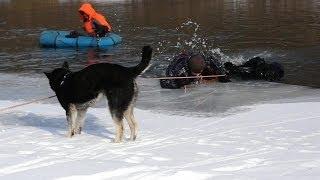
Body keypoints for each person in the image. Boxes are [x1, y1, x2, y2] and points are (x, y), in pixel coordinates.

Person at [160, 52, 230, 89]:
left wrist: (223, 76)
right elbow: (166, 81)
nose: (197, 76)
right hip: (184, 62)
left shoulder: (209, 60)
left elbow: (223, 73)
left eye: (198, 74)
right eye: (195, 73)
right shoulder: (178, 65)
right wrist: (180, 84)